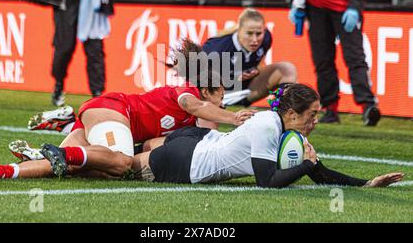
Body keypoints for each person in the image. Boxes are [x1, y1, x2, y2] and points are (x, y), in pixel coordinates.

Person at [0, 43, 255, 181]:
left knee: (79, 170)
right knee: (120, 163)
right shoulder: (188, 95)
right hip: (113, 111)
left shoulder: (195, 115)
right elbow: (195, 107)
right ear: (206, 90)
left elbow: (199, 135)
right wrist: (235, 118)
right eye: (221, 93)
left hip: (105, 118)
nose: (224, 100)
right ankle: (67, 132)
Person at [131, 83, 404, 188]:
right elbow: (267, 181)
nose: (316, 120)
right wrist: (305, 165)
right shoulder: (267, 127)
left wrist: (367, 183)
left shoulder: (291, 133)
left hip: (200, 140)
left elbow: (321, 174)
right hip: (189, 161)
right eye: (312, 114)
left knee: (127, 156)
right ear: (293, 114)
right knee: (119, 166)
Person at [289, 0, 380, 125]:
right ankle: (330, 109)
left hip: (344, 9)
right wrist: (295, 4)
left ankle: (368, 106)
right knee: (323, 60)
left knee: (354, 57)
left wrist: (355, 7)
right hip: (316, 9)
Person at [202, 8, 297, 107]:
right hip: (219, 96)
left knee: (287, 69)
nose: (255, 40)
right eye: (249, 33)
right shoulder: (216, 49)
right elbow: (194, 79)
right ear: (239, 31)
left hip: (246, 91)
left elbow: (260, 64)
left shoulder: (266, 39)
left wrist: (257, 71)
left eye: (259, 34)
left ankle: (280, 112)